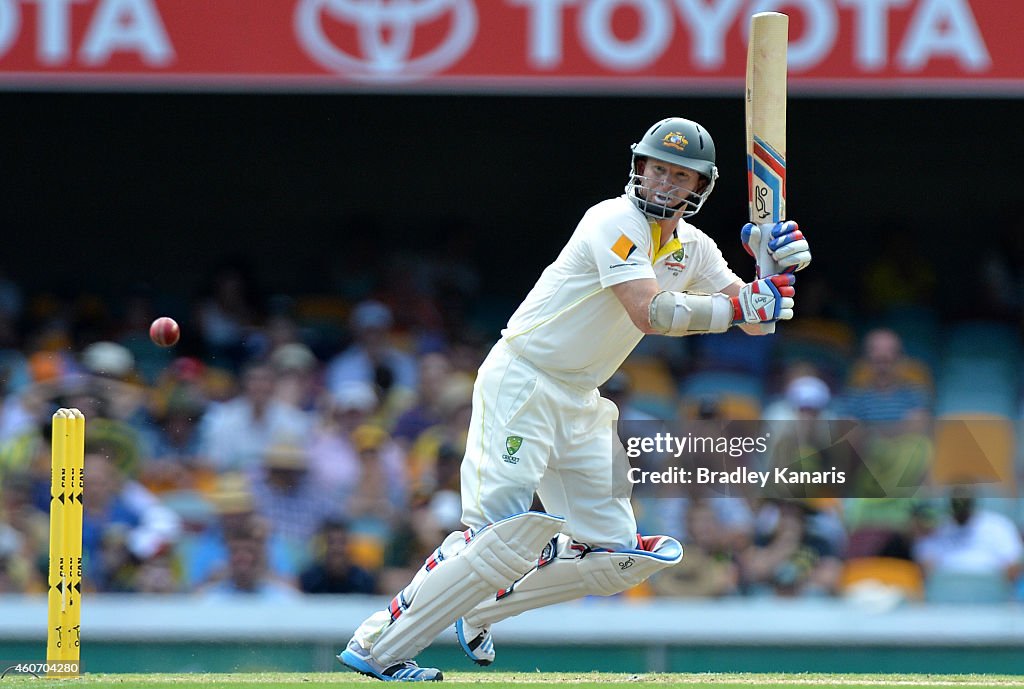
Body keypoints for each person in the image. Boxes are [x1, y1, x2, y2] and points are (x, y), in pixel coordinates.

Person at [338, 116, 812, 681]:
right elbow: (651, 311)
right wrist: (740, 308)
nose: (664, 183)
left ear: (698, 189)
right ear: (639, 168)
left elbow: (759, 321)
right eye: (657, 169)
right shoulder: (611, 220)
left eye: (679, 176)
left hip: (583, 402)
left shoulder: (695, 248)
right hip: (525, 381)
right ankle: (377, 647)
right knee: (498, 536)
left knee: (618, 556)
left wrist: (771, 268)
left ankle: (481, 609)